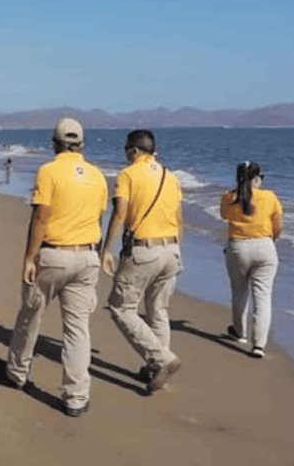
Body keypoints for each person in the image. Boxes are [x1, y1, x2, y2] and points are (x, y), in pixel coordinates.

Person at [0, 117, 108, 417]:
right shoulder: (98, 176)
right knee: (77, 330)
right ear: (82, 144)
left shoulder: (49, 171)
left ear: (54, 143)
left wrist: (29, 257)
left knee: (30, 316)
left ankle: (16, 373)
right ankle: (76, 397)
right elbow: (98, 218)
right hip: (87, 256)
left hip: (54, 256)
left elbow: (41, 218)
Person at [100, 129, 184, 393]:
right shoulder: (170, 177)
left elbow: (120, 214)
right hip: (171, 249)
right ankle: (155, 369)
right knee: (158, 310)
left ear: (134, 151)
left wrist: (106, 250)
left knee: (121, 307)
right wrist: (178, 251)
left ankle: (162, 359)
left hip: (144, 250)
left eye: (126, 150)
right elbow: (180, 218)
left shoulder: (127, 175)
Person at [219, 161, 283, 359]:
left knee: (239, 292)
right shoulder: (270, 197)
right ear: (257, 178)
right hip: (264, 246)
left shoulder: (230, 197)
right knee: (263, 298)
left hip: (238, 247)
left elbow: (224, 215)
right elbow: (278, 226)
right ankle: (259, 345)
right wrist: (272, 239)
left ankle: (240, 332)